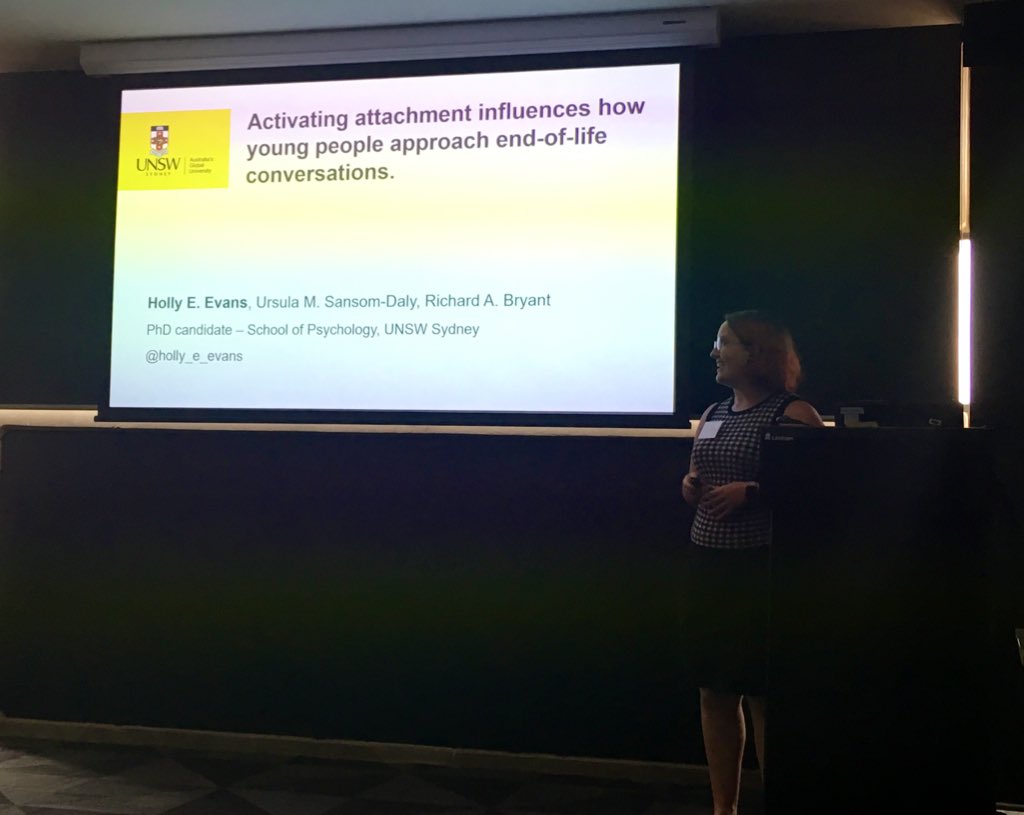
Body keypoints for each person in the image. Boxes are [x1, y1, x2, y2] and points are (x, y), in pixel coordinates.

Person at [680, 310, 823, 815]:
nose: (714, 352)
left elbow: (820, 491)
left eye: (724, 342)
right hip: (709, 565)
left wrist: (753, 491)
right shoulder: (714, 412)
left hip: (761, 569)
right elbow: (696, 471)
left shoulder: (794, 413)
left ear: (755, 352)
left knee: (765, 695)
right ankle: (725, 808)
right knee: (714, 692)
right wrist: (690, 485)